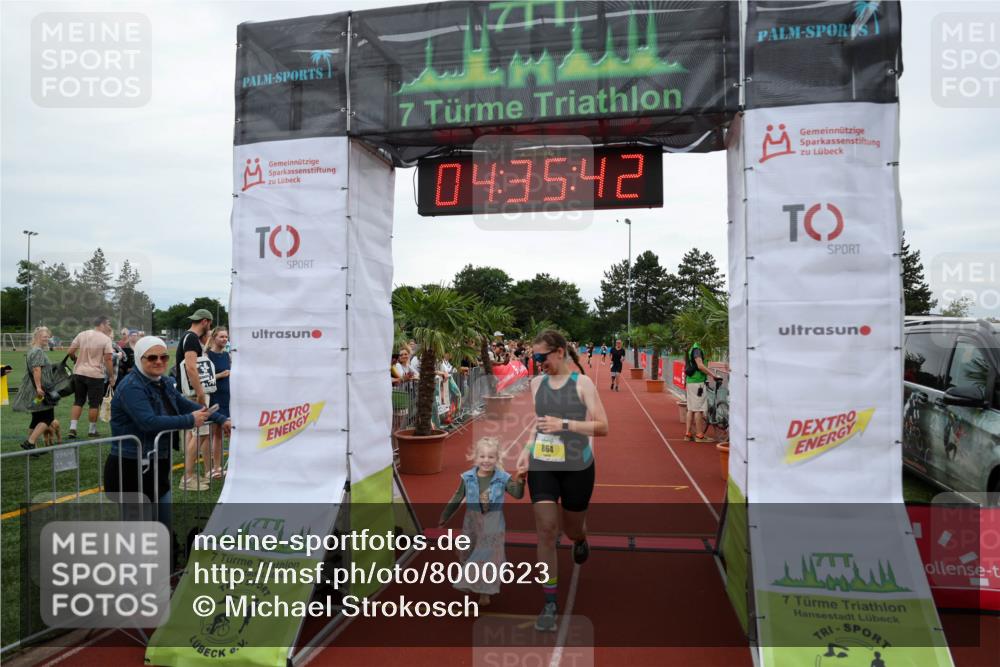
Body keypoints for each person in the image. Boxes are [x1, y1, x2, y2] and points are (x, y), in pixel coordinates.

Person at [516, 329, 608, 632]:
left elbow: (603, 427)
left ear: (559, 352)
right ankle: (550, 600)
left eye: (541, 356)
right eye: (534, 357)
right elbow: (538, 423)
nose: (537, 362)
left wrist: (565, 424)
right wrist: (526, 452)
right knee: (545, 529)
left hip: (577, 468)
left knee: (571, 529)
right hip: (544, 464)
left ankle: (581, 539)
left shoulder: (583, 384)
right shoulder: (535, 383)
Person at [106, 336, 230, 531]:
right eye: (152, 357)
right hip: (130, 466)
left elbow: (184, 405)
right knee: (139, 529)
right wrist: (190, 420)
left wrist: (222, 419)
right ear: (140, 358)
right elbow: (148, 422)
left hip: (157, 464)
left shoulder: (163, 382)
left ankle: (166, 559)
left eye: (164, 357)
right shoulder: (131, 386)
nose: (159, 361)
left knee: (162, 525)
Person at [439, 437, 525, 606]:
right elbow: (457, 497)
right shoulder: (468, 477)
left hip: (493, 521)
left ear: (497, 458)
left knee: (486, 556)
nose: (486, 461)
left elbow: (517, 494)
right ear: (476, 457)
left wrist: (520, 480)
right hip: (472, 520)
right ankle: (472, 573)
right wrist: (445, 515)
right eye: (483, 456)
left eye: (491, 457)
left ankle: (484, 592)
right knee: (467, 551)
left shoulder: (502, 478)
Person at [67, 316, 116, 439]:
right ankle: (92, 430)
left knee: (78, 400)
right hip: (95, 374)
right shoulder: (106, 339)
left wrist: (75, 359)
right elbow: (108, 359)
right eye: (108, 323)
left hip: (79, 373)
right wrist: (111, 376)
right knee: (94, 403)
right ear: (103, 324)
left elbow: (70, 351)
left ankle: (72, 428)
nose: (109, 326)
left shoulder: (82, 334)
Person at [12, 326, 58, 456]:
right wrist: (39, 388)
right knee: (48, 417)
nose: (47, 339)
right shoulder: (38, 351)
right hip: (39, 390)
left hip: (33, 389)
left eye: (48, 337)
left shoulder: (32, 350)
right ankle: (31, 442)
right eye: (44, 337)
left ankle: (33, 447)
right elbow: (37, 370)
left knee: (37, 417)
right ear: (38, 337)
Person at [205, 326, 232, 480]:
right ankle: (214, 468)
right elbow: (205, 380)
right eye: (221, 336)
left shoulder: (227, 355)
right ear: (214, 337)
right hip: (214, 399)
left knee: (223, 435)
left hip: (227, 398)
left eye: (226, 337)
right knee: (214, 434)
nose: (224, 339)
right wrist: (221, 375)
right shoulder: (207, 355)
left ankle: (221, 466)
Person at [684, 341, 721, 443]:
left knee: (691, 409)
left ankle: (688, 434)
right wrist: (713, 375)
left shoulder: (692, 348)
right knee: (698, 409)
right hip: (697, 383)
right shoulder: (697, 350)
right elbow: (700, 365)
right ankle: (700, 436)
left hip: (691, 381)